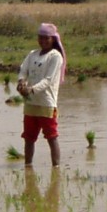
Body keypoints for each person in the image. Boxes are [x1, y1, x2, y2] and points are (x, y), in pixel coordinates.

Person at [17, 22, 65, 167]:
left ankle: (56, 167)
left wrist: (31, 89)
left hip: (46, 102)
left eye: (46, 38)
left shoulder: (55, 56)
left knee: (51, 136)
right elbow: (23, 70)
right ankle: (28, 166)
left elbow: (48, 80)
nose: (43, 41)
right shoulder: (32, 54)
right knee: (29, 138)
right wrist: (21, 82)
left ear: (53, 39)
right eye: (40, 38)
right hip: (31, 102)